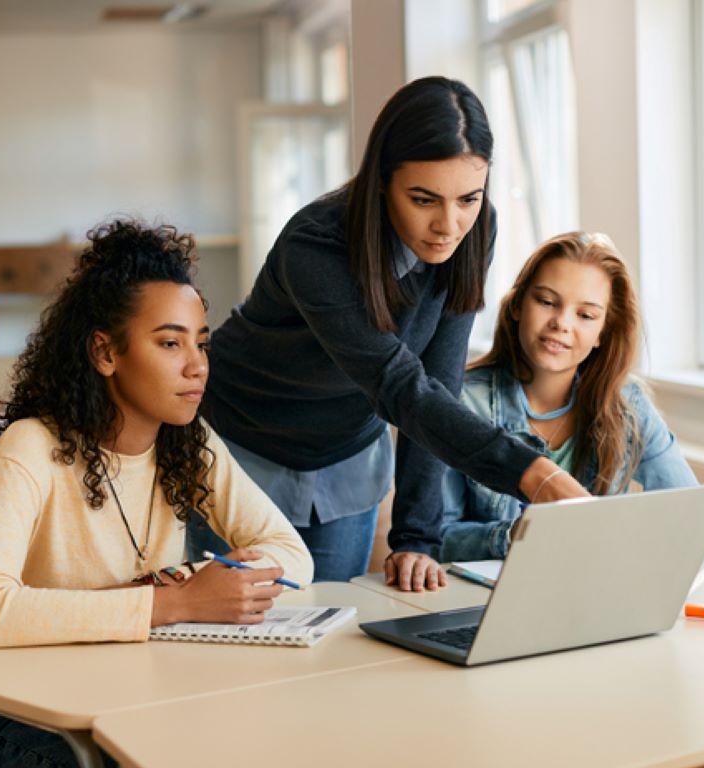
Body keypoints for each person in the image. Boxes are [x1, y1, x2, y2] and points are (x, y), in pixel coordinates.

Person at [0, 219, 313, 768]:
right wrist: (175, 602)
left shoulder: (190, 441)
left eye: (201, 342)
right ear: (105, 351)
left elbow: (291, 555)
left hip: (137, 700)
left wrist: (188, 587)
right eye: (170, 343)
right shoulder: (33, 446)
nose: (196, 365)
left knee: (270, 759)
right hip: (19, 717)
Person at [190, 76, 588, 592]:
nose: (449, 224)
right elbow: (398, 385)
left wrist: (415, 537)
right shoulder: (315, 246)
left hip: (346, 458)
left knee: (328, 642)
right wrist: (535, 473)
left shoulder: (474, 229)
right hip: (242, 448)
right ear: (382, 181)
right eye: (424, 199)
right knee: (234, 644)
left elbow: (436, 382)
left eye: (468, 198)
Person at [439, 231, 697, 563]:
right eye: (546, 302)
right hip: (488, 595)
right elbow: (435, 538)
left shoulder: (627, 403)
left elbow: (685, 508)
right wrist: (516, 535)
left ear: (603, 332)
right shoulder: (459, 401)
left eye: (586, 315)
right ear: (518, 305)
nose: (561, 323)